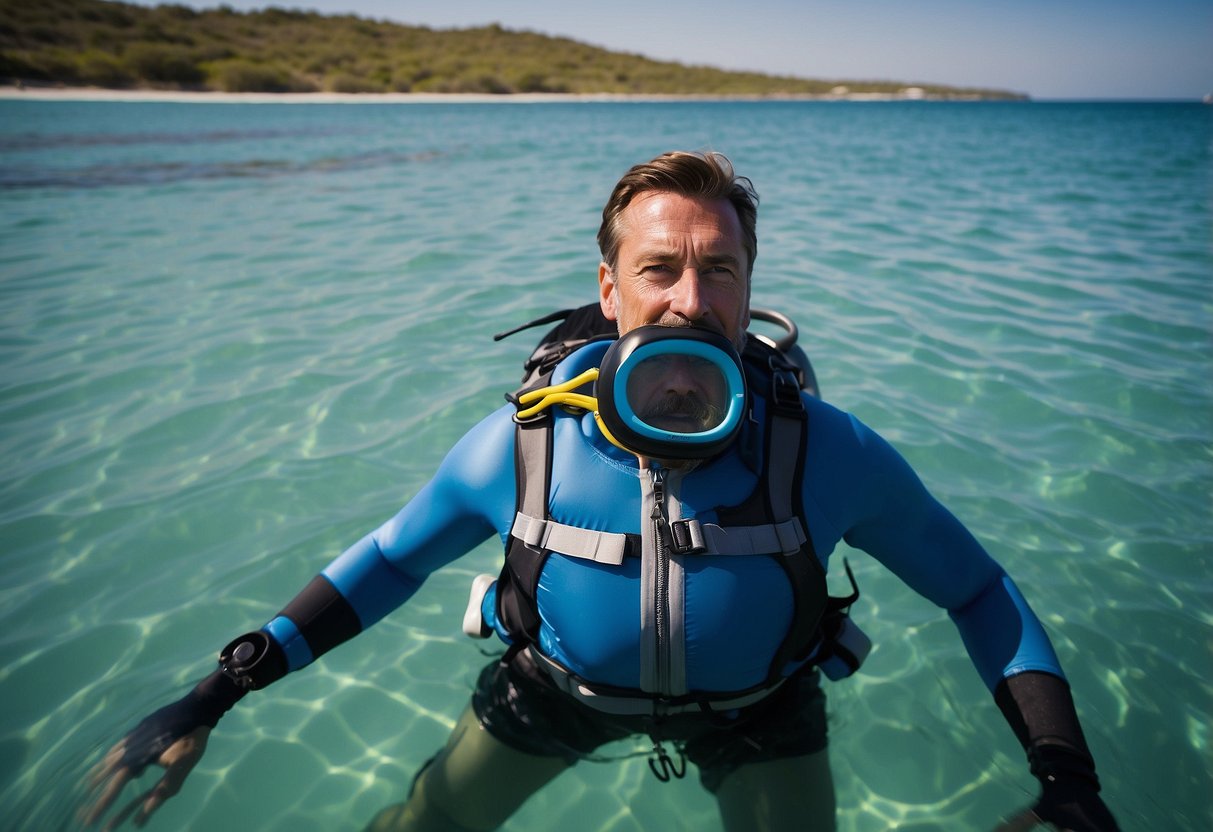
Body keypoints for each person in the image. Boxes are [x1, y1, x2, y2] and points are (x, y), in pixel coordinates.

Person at [83, 151, 1119, 832]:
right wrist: (216, 691)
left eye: (719, 271)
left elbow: (977, 590)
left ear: (751, 289)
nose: (689, 297)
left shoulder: (828, 452)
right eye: (660, 268)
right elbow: (392, 559)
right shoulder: (522, 445)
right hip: (552, 691)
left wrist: (1066, 779)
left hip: (761, 708)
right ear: (610, 286)